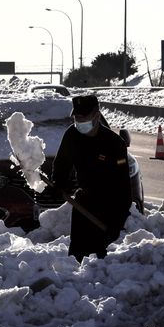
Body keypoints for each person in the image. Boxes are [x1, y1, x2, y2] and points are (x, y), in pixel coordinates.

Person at [51, 95, 132, 262]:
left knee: (99, 257)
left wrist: (117, 222)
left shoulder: (114, 143)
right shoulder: (72, 135)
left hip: (108, 205)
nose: (79, 121)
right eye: (76, 117)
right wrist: (58, 185)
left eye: (83, 117)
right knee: (77, 254)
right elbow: (61, 164)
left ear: (96, 115)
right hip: (84, 202)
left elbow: (123, 185)